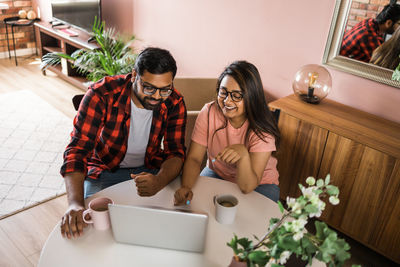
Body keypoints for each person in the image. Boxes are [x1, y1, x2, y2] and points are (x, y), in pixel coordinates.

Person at [60, 47, 187, 239]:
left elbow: (175, 152)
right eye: (149, 87)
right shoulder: (102, 94)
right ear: (134, 75)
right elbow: (77, 150)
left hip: (150, 170)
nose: (156, 97)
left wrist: (159, 181)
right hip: (103, 170)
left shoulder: (174, 102)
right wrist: (74, 204)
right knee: (94, 230)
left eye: (164, 90)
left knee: (167, 223)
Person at [174, 61, 280, 205]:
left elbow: (247, 187)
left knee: (242, 221)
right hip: (217, 174)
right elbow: (194, 159)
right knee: (195, 205)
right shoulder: (209, 111)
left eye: (236, 95)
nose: (227, 100)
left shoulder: (262, 129)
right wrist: (186, 187)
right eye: (223, 92)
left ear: (251, 96)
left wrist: (243, 155)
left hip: (260, 184)